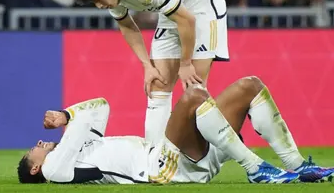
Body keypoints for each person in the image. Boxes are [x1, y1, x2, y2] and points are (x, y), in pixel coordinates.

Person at [17, 76, 334, 184]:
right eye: (36, 147)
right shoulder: (57, 171)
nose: (42, 141)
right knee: (195, 96)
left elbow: (100, 106)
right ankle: (255, 169)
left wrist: (65, 113)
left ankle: (298, 166)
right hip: (160, 170)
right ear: (35, 168)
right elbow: (82, 122)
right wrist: (68, 120)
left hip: (172, 155)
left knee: (249, 86)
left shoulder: (79, 148)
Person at [72, 0, 229, 146]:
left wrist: (185, 63)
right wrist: (147, 65)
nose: (99, 6)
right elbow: (127, 25)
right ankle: (154, 160)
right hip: (171, 8)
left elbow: (187, 19)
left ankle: (224, 150)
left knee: (194, 91)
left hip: (201, 5)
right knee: (157, 85)